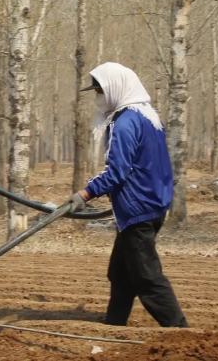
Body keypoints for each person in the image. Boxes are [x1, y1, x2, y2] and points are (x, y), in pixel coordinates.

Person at [68, 62, 188, 328]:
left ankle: (180, 330)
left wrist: (86, 193)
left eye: (100, 91)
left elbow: (117, 171)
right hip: (153, 203)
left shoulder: (124, 123)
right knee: (121, 273)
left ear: (115, 89)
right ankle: (114, 322)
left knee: (147, 278)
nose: (98, 97)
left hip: (138, 210)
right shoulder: (148, 116)